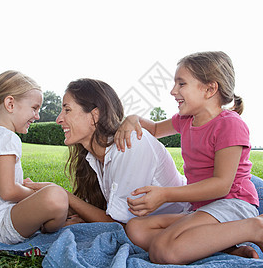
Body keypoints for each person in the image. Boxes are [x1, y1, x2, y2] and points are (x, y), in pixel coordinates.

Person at [114, 51, 263, 265]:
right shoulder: (185, 120)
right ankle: (229, 250)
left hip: (233, 203)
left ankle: (261, 227)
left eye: (181, 84)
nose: (173, 91)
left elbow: (221, 186)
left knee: (163, 251)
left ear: (210, 89)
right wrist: (131, 119)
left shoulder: (229, 124)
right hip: (203, 208)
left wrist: (164, 195)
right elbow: (153, 128)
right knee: (137, 228)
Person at [48, 78, 190, 225]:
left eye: (67, 110)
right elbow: (107, 212)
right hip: (153, 226)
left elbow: (120, 224)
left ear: (94, 116)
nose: (59, 119)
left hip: (185, 220)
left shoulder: (129, 144)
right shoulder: (93, 157)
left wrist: (63, 195)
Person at [0, 70, 68, 244]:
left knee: (51, 196)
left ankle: (51, 217)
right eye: (34, 108)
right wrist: (35, 194)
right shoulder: (8, 137)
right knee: (57, 196)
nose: (37, 116)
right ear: (10, 104)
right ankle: (48, 227)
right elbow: (8, 191)